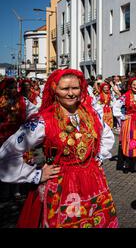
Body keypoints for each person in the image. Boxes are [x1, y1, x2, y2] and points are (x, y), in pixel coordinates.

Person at [0, 69, 118, 228]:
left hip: (93, 180)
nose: (71, 93)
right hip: (62, 184)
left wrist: (98, 157)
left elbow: (107, 135)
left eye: (75, 88)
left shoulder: (91, 114)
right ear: (54, 90)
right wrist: (36, 175)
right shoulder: (43, 121)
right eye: (65, 89)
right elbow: (7, 153)